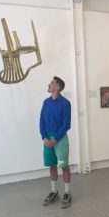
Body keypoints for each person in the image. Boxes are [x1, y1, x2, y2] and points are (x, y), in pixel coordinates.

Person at [39, 76, 72, 208]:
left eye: (51, 83)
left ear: (57, 87)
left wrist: (55, 139)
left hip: (60, 138)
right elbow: (41, 121)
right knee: (52, 166)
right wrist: (44, 137)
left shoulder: (65, 103)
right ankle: (54, 192)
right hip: (47, 139)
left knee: (64, 166)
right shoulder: (46, 102)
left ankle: (67, 193)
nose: (49, 84)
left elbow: (66, 125)